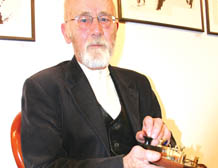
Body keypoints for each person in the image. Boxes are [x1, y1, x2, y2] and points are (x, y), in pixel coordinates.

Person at [21, 0, 175, 167]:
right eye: (84, 20)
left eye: (105, 19)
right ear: (66, 32)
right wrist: (123, 165)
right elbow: (43, 166)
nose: (97, 30)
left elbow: (167, 156)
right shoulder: (42, 88)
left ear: (116, 28)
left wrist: (163, 141)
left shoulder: (139, 83)